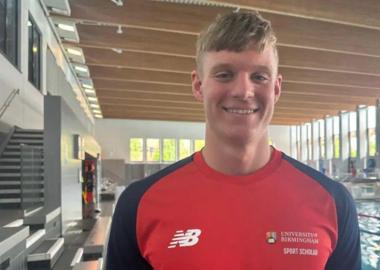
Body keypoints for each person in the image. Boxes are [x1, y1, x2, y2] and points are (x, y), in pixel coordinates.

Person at [106, 11, 361, 270]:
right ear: (198, 85)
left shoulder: (333, 203)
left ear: (276, 88)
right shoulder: (139, 205)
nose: (243, 91)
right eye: (224, 74)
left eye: (259, 76)